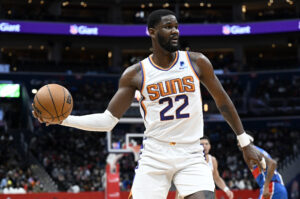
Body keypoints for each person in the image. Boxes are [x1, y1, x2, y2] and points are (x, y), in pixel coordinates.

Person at [32, 9, 262, 199]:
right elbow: (107, 121)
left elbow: (222, 101)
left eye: (176, 27)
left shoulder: (197, 62)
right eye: (168, 27)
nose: (175, 31)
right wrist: (63, 119)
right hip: (155, 154)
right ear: (152, 32)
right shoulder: (135, 75)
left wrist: (244, 142)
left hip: (191, 152)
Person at [239, 134, 288, 199]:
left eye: (239, 141)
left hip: (272, 187)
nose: (238, 144)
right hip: (277, 187)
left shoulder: (253, 151)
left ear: (247, 141)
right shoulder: (255, 151)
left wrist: (266, 187)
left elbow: (273, 163)